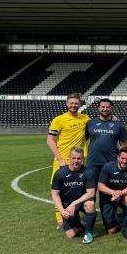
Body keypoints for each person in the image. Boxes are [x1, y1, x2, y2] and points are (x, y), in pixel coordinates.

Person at [47, 93, 90, 227]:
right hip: (63, 160)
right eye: (71, 103)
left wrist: (113, 118)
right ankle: (60, 218)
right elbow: (50, 140)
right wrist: (59, 159)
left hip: (79, 160)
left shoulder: (85, 118)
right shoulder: (59, 120)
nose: (73, 105)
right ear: (66, 103)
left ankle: (75, 214)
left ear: (80, 104)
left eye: (76, 103)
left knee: (78, 188)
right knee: (59, 188)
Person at [50, 146, 96, 243]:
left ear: (83, 159)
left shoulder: (88, 172)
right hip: (67, 204)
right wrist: (62, 211)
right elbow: (55, 194)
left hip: (82, 201)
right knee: (71, 235)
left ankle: (88, 233)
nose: (76, 161)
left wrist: (74, 203)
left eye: (79, 158)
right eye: (74, 158)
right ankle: (79, 223)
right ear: (69, 158)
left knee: (90, 205)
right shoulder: (60, 173)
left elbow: (91, 193)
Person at [97, 146, 127, 240]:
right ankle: (119, 217)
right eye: (122, 158)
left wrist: (119, 194)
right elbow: (100, 186)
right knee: (111, 230)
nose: (124, 161)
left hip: (123, 195)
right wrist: (113, 192)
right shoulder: (108, 167)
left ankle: (126, 227)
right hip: (107, 197)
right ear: (118, 157)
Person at [85, 98, 127, 183]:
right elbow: (83, 140)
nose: (105, 109)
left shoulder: (119, 125)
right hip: (92, 161)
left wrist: (120, 159)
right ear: (98, 108)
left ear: (111, 108)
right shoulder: (90, 123)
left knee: (108, 190)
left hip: (111, 162)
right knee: (90, 189)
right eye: (102, 107)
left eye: (107, 107)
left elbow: (123, 145)